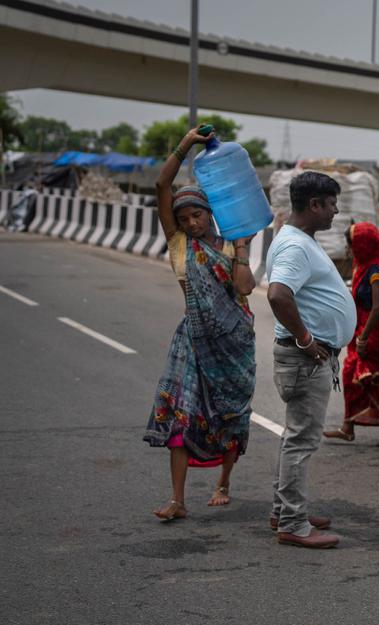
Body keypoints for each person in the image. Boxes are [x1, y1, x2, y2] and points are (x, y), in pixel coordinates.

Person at [143, 126, 257, 522]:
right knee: (180, 415)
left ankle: (223, 482)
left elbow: (244, 287)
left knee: (231, 415)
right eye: (185, 217)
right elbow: (162, 184)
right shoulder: (178, 245)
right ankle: (177, 499)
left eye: (198, 215)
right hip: (193, 342)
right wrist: (187, 142)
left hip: (235, 345)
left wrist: (242, 247)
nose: (191, 223)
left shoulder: (231, 243)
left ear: (211, 213)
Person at [265, 171, 356, 549]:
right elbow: (277, 294)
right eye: (332, 203)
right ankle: (293, 523)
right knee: (301, 442)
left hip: (309, 358)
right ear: (315, 204)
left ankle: (284, 509)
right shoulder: (295, 247)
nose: (336, 211)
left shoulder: (299, 239)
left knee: (295, 438)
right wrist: (305, 338)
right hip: (305, 359)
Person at [323, 222, 379, 447]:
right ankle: (348, 426)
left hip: (374, 334)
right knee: (354, 376)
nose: (349, 249)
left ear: (363, 244)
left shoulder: (377, 269)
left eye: (351, 244)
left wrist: (364, 337)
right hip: (364, 330)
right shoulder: (365, 265)